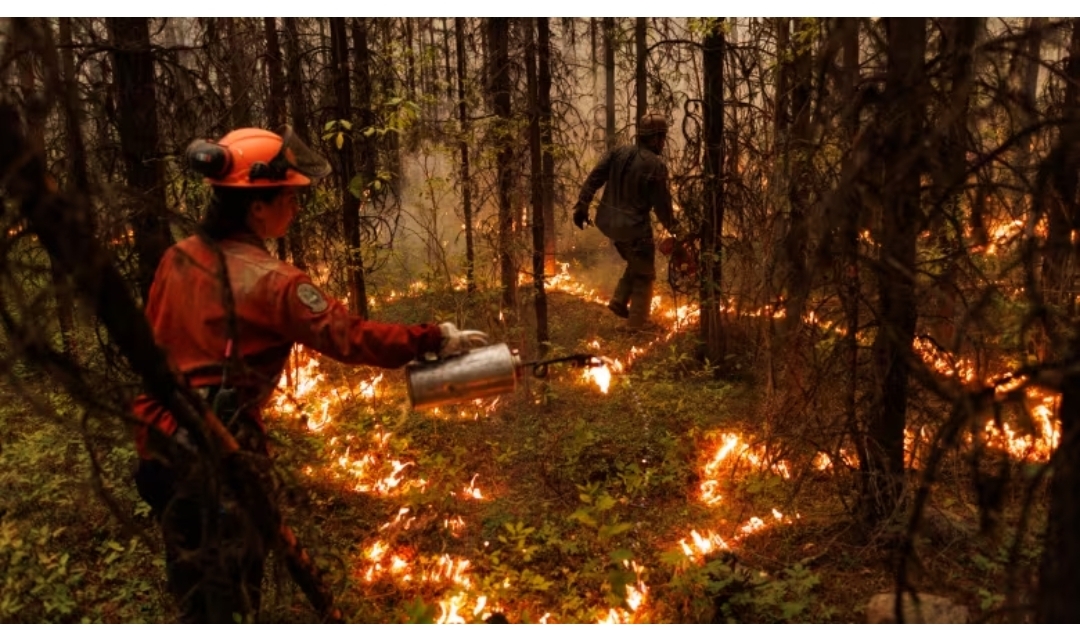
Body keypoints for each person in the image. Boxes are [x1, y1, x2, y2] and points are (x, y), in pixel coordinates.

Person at [130, 126, 489, 622]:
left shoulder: (176, 258)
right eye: (291, 197)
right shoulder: (273, 283)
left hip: (156, 451)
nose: (296, 208)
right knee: (228, 598)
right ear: (257, 205)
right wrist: (433, 338)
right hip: (219, 461)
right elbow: (351, 337)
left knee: (191, 586)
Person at [572, 112, 682, 332]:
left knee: (636, 261)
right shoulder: (655, 166)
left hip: (609, 224)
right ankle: (637, 325)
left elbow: (594, 177)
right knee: (645, 274)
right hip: (634, 229)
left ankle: (619, 301)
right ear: (653, 138)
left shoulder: (618, 152)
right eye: (660, 137)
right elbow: (663, 208)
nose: (662, 142)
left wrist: (582, 204)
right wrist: (679, 231)